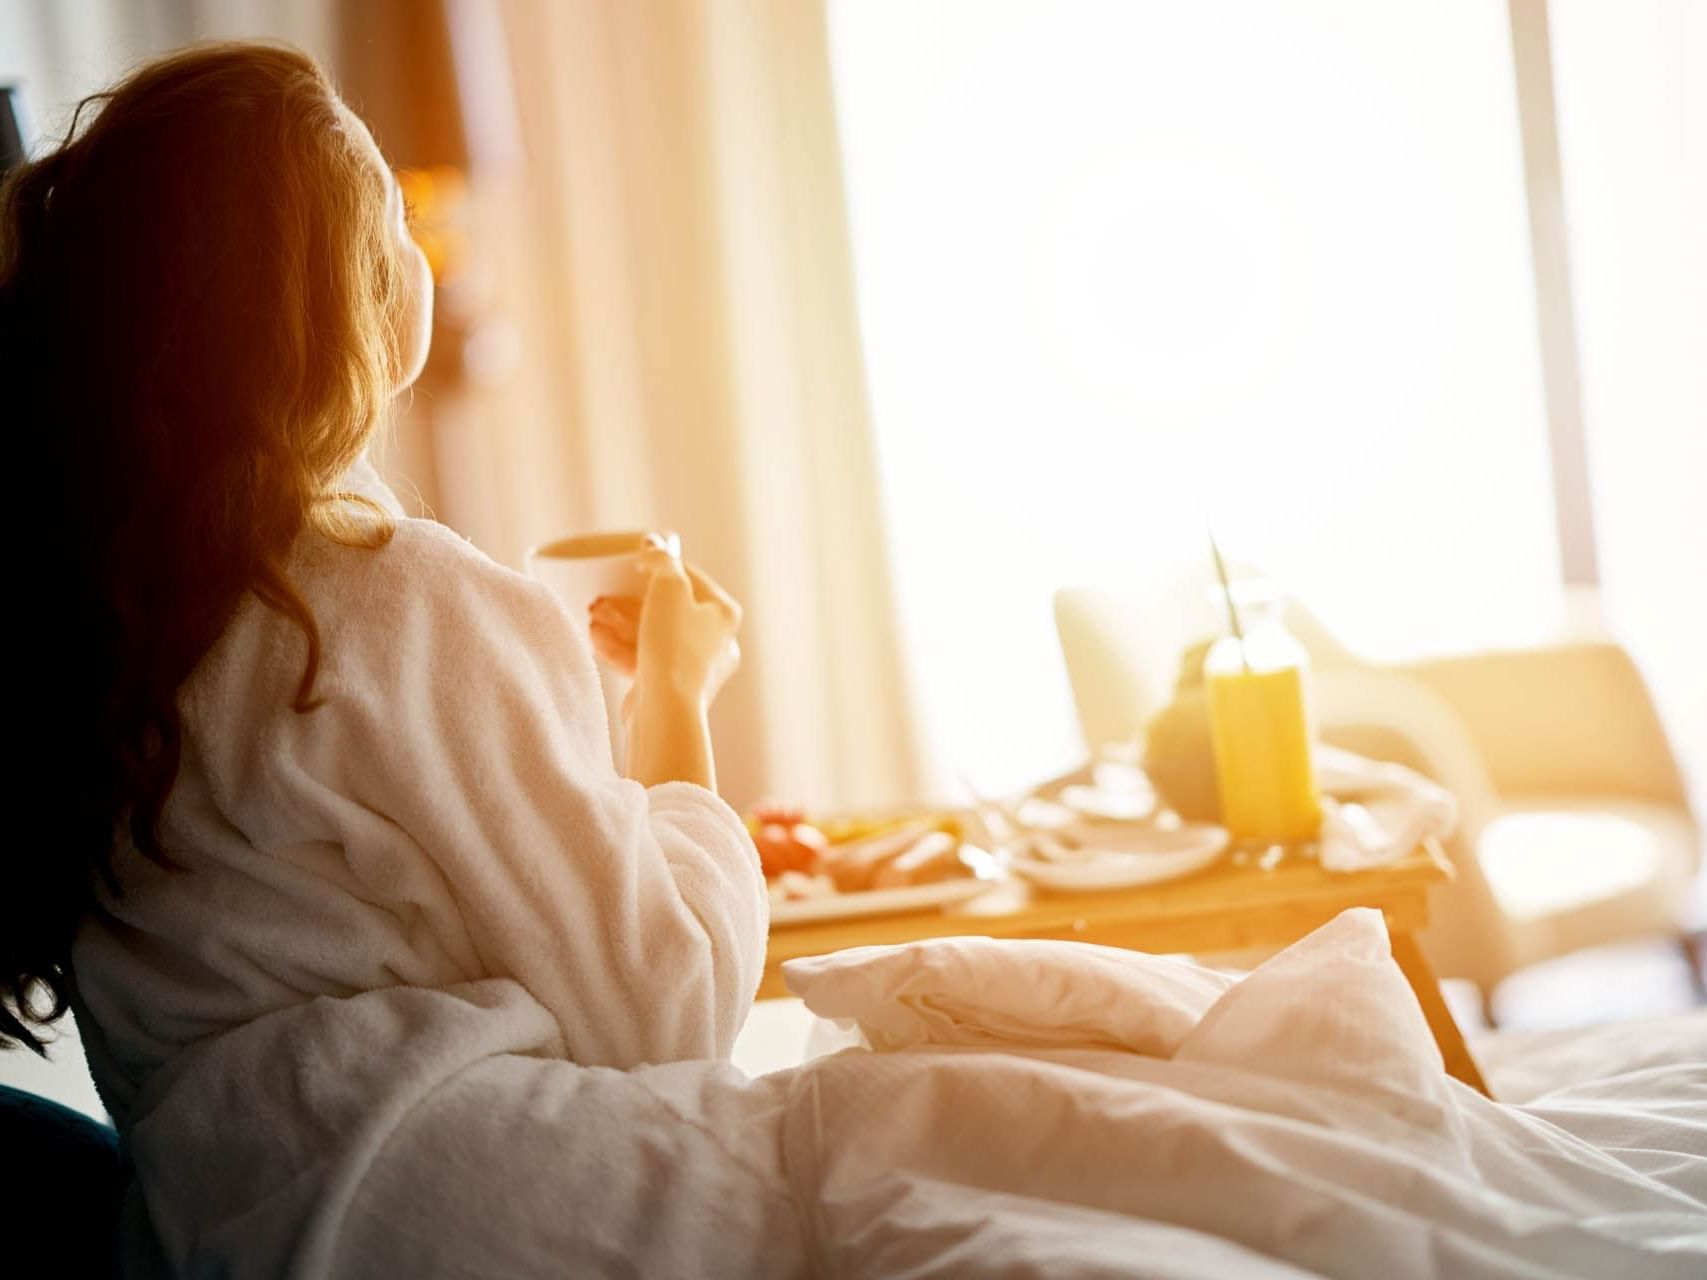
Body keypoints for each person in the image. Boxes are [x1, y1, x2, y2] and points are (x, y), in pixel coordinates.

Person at [1, 41, 771, 1272]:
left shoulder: (89, 637)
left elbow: (339, 905)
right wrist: (679, 700)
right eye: (398, 222)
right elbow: (668, 1013)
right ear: (327, 301)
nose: (423, 253)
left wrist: (562, 721)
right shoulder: (405, 599)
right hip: (483, 1211)